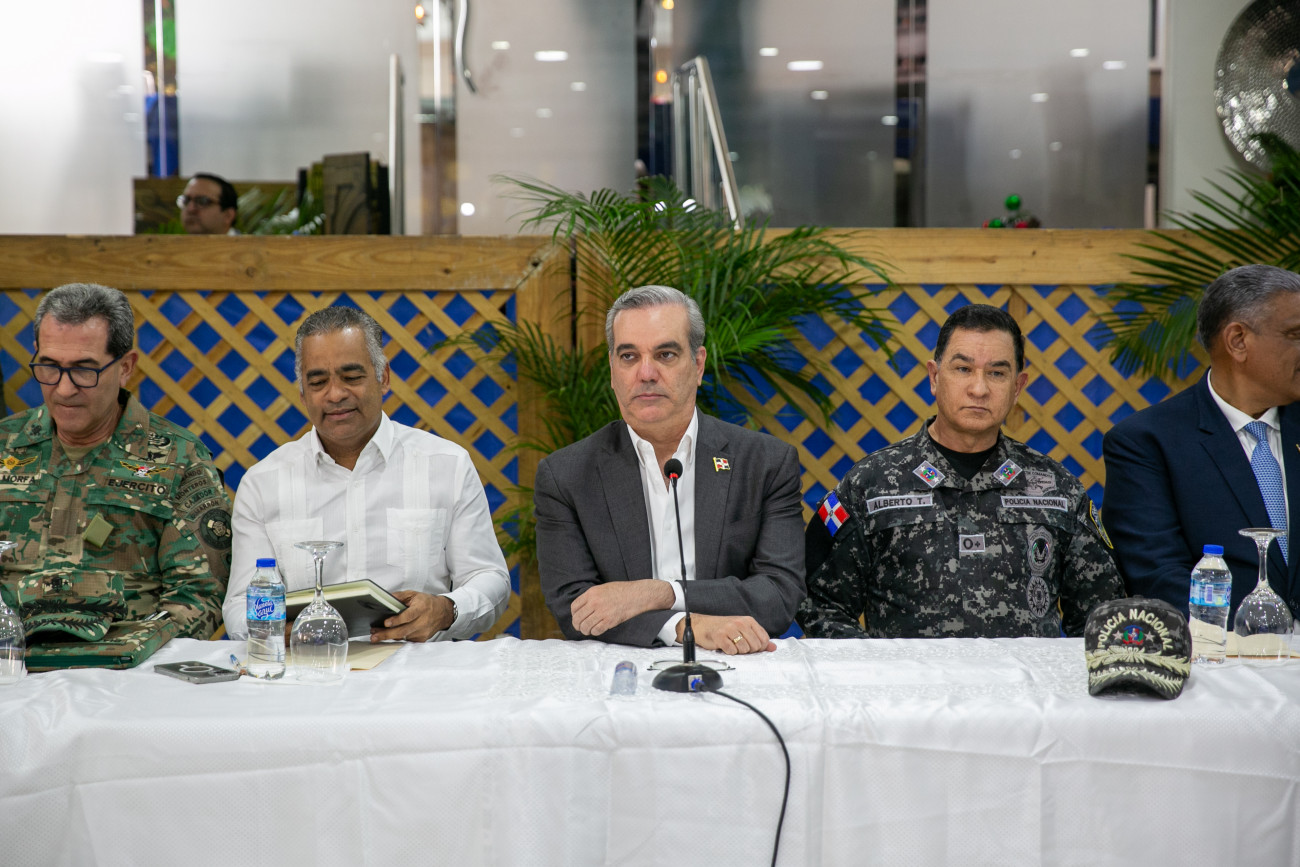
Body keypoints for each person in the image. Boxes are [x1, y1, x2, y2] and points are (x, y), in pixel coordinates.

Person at [798, 304, 1123, 639]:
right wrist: (882, 666)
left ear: (1018, 386)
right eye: (963, 369)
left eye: (996, 373)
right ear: (935, 377)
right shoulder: (871, 485)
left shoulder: (1057, 489)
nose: (979, 389)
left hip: (1023, 676)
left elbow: (1103, 614)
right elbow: (820, 605)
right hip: (907, 675)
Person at [534, 285, 806, 653]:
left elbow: (779, 594)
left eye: (665, 354)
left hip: (738, 667)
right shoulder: (566, 475)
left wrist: (662, 593)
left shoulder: (765, 463)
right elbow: (577, 609)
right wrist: (684, 626)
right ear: (612, 370)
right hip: (619, 671)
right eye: (629, 356)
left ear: (698, 365)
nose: (646, 373)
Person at [225, 306, 510, 642]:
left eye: (351, 377)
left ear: (383, 376)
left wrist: (446, 609)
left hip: (419, 666)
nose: (335, 394)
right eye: (318, 382)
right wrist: (279, 633)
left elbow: (489, 578)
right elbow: (239, 605)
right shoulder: (263, 483)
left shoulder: (447, 465)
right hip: (308, 668)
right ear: (302, 392)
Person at [0, 283, 231, 641]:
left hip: (125, 664)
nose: (64, 389)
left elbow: (200, 596)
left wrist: (129, 653)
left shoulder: (180, 458)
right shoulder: (5, 445)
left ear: (125, 367)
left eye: (84, 370)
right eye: (49, 366)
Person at [1103, 264, 1300, 622]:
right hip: (1223, 649)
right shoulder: (1147, 442)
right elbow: (1158, 574)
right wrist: (1254, 637)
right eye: (1295, 334)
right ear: (1238, 341)